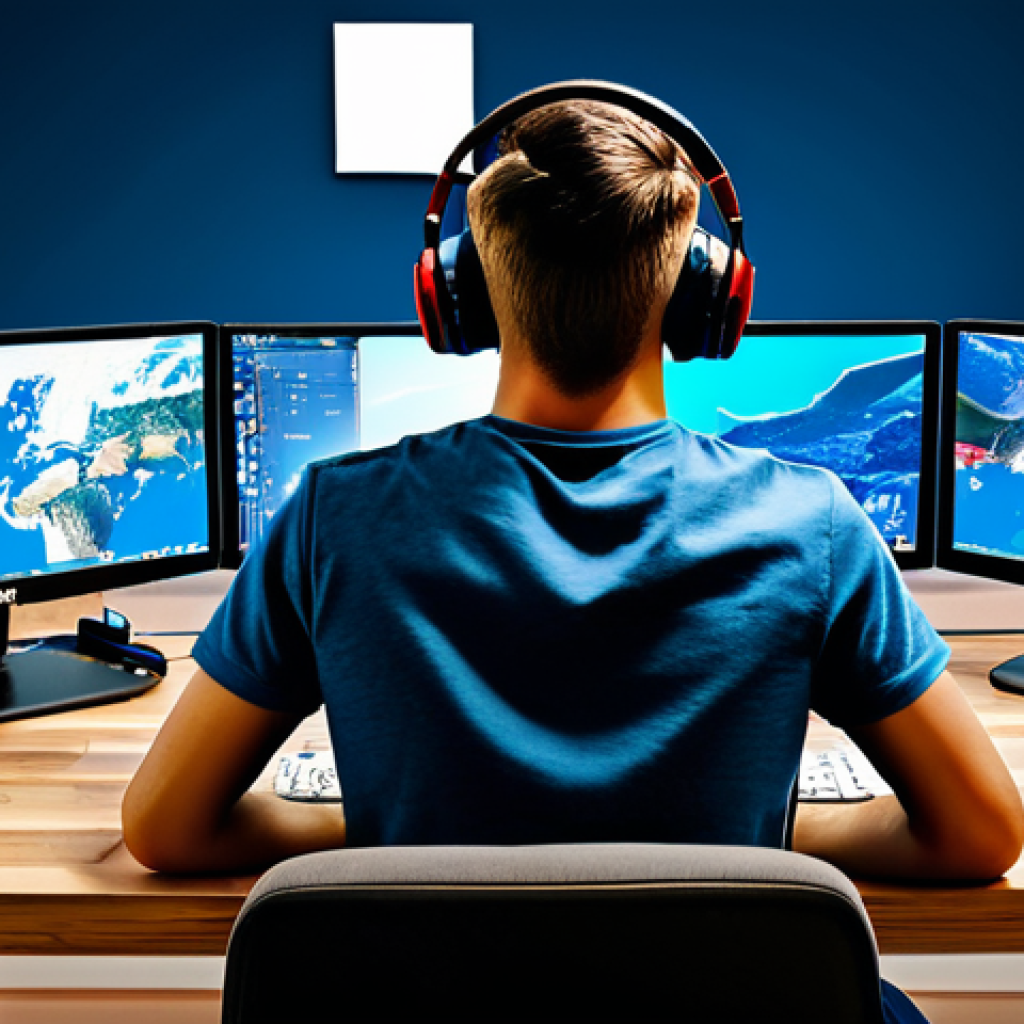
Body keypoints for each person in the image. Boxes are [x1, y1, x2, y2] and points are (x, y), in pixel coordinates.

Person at [123, 96, 1022, 1022]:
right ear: (707, 302)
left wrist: (385, 844)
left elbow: (165, 828)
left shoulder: (333, 518)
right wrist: (762, 844)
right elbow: (979, 834)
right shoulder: (813, 523)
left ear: (454, 298)